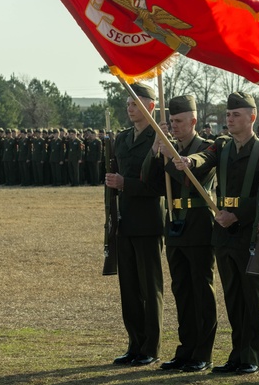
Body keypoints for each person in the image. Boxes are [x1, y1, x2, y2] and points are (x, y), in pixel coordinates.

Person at [174, 92, 259, 374]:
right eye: (228, 115)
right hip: (223, 232)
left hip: (248, 231)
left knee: (252, 296)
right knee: (232, 296)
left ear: (252, 117)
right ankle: (237, 354)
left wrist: (237, 214)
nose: (230, 119)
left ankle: (252, 354)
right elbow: (205, 156)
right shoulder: (223, 146)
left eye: (236, 114)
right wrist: (191, 162)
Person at [105, 83, 166, 367]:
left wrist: (124, 184)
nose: (130, 108)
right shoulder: (123, 138)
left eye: (136, 103)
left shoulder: (159, 137)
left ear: (151, 106)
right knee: (128, 287)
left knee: (148, 287)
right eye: (128, 104)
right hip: (125, 220)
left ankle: (150, 347)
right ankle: (135, 344)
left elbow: (157, 186)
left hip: (147, 220)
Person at [159, 95, 217, 373]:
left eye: (179, 121)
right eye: (171, 122)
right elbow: (149, 178)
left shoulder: (206, 148)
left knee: (200, 290)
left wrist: (171, 156)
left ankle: (202, 353)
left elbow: (191, 181)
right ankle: (185, 350)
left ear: (194, 121)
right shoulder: (168, 146)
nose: (174, 126)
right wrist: (156, 149)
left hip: (198, 223)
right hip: (174, 224)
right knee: (181, 289)